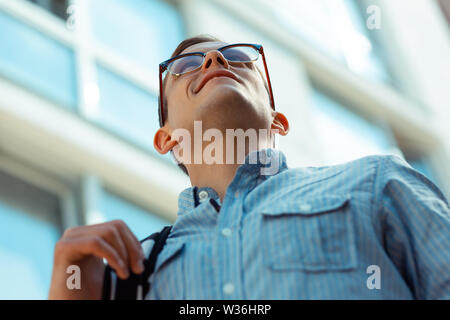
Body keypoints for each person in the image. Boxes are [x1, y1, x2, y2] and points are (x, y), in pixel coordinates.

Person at [48, 35, 450, 300]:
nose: (213, 58)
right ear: (166, 139)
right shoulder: (129, 272)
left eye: (237, 57)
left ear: (278, 120)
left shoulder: (377, 184)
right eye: (186, 65)